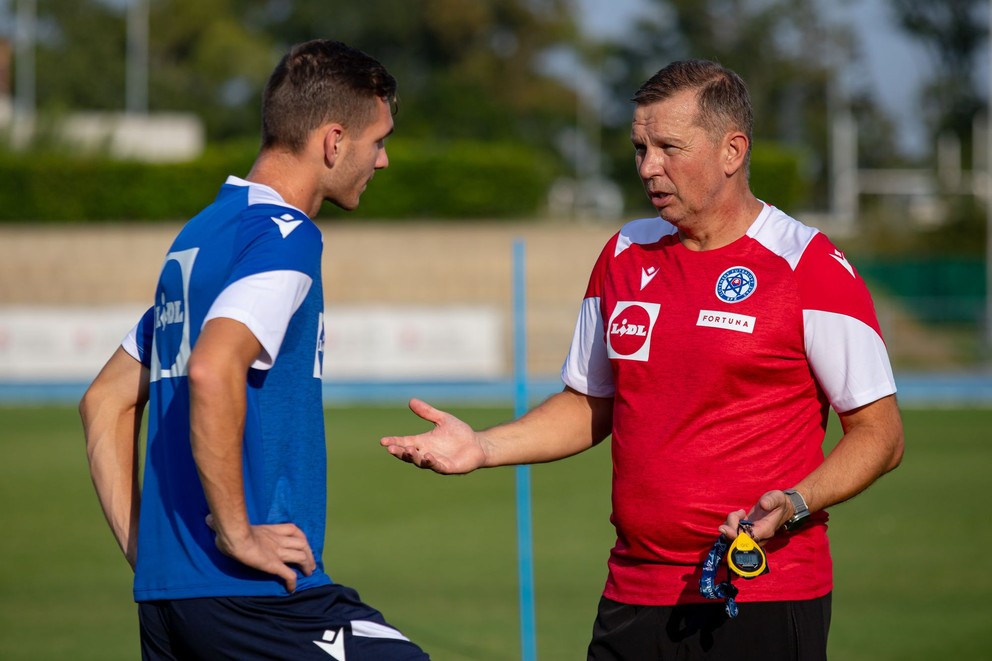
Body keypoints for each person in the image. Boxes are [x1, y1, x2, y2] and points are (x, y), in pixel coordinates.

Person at [380, 59, 904, 660]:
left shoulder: (809, 266)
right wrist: (484, 447)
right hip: (633, 592)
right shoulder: (623, 254)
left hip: (762, 590)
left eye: (668, 147)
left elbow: (880, 434)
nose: (648, 166)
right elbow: (588, 405)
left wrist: (797, 502)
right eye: (640, 147)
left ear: (732, 151)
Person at [80, 39, 429, 660]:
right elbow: (215, 369)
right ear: (333, 141)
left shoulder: (201, 234)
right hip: (255, 594)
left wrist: (151, 553)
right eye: (378, 141)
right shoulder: (287, 238)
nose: (383, 161)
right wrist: (239, 536)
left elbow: (104, 401)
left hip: (170, 599)